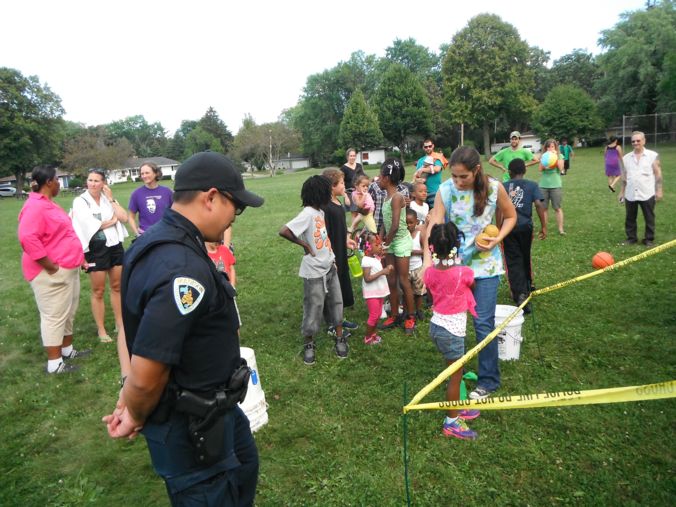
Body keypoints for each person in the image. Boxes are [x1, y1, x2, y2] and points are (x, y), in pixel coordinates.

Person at [102, 151, 263, 505]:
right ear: (211, 197)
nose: (234, 217)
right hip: (192, 434)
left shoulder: (154, 242)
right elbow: (147, 375)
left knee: (245, 468)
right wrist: (135, 409)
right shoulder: (181, 268)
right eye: (236, 208)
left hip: (216, 414)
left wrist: (127, 400)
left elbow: (131, 329)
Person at [428, 146, 516, 400]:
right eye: (454, 176)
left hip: (486, 266)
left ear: (476, 170)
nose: (457, 182)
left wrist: (496, 238)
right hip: (454, 269)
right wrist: (428, 260)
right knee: (453, 324)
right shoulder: (445, 191)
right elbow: (435, 224)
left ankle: (488, 380)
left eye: (463, 177)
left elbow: (510, 217)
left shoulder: (494, 188)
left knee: (483, 322)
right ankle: (457, 369)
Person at [18, 166, 91, 374]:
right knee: (54, 316)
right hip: (50, 273)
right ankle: (55, 364)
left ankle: (67, 351)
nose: (60, 183)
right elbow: (27, 237)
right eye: (57, 180)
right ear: (49, 182)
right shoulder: (35, 207)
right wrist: (49, 265)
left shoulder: (48, 203)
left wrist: (79, 258)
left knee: (68, 313)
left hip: (68, 267)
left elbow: (62, 234)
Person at [279, 175, 348, 365]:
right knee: (314, 307)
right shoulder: (308, 213)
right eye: (326, 190)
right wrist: (304, 245)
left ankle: (340, 337)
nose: (329, 193)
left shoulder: (320, 212)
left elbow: (323, 238)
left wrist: (331, 256)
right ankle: (309, 343)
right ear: (319, 193)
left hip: (329, 265)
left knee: (336, 302)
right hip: (314, 272)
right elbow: (284, 230)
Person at [421, 222, 480, 439]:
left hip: (437, 327)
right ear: (456, 245)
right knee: (455, 378)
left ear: (433, 247)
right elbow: (472, 285)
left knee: (453, 371)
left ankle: (456, 407)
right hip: (452, 332)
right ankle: (451, 422)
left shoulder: (429, 273)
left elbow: (435, 283)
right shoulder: (464, 272)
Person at [71, 169, 129, 345]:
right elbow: (88, 225)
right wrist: (111, 222)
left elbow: (124, 217)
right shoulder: (80, 201)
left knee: (117, 286)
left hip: (114, 245)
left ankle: (120, 324)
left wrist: (111, 199)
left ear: (104, 183)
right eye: (90, 180)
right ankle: (101, 329)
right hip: (95, 249)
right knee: (98, 291)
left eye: (97, 180)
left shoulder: (107, 199)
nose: (93, 184)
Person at [502, 159, 547, 314]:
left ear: (509, 172)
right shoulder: (532, 185)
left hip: (508, 228)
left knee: (513, 260)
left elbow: (499, 208)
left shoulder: (503, 186)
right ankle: (528, 286)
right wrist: (544, 226)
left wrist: (499, 227)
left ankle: (520, 293)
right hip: (526, 228)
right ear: (524, 171)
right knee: (524, 256)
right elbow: (539, 204)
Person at [378, 158, 416, 334]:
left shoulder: (397, 197)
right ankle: (394, 314)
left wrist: (386, 243)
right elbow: (385, 224)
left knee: (403, 280)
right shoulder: (387, 197)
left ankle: (410, 316)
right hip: (390, 242)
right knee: (391, 280)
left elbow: (394, 225)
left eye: (380, 176)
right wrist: (380, 239)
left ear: (387, 178)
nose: (377, 179)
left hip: (399, 241)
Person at [321, 168, 358, 332]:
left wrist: (346, 240)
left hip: (341, 252)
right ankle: (332, 323)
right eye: (342, 183)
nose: (345, 185)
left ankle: (339, 319)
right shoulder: (325, 207)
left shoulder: (338, 202)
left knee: (341, 285)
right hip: (332, 255)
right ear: (331, 186)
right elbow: (325, 234)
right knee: (331, 288)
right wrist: (330, 256)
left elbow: (340, 228)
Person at [619, 131, 663, 246]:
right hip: (630, 193)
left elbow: (658, 174)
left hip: (647, 192)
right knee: (630, 218)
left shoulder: (652, 156)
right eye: (633, 141)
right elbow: (624, 177)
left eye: (638, 140)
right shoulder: (626, 158)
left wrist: (659, 190)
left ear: (644, 141)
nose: (635, 143)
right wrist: (621, 192)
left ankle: (649, 239)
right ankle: (631, 238)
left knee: (649, 217)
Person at [359, 232, 393, 345]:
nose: (380, 247)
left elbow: (379, 259)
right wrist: (383, 272)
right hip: (372, 293)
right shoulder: (366, 261)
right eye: (377, 245)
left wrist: (381, 257)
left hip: (378, 292)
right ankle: (368, 337)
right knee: (374, 315)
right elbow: (367, 278)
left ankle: (373, 334)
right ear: (368, 247)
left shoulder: (374, 258)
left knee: (378, 314)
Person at [128, 162, 173, 236]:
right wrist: (137, 234)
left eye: (147, 173)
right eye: (142, 174)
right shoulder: (136, 194)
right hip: (146, 235)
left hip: (166, 233)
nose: (144, 176)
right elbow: (131, 217)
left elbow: (176, 213)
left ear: (156, 173)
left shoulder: (167, 192)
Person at [538, 139, 566, 236]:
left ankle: (561, 229)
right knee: (544, 208)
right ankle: (544, 229)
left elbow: (561, 168)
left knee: (557, 208)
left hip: (556, 185)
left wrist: (555, 158)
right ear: (545, 148)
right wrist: (546, 165)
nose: (550, 148)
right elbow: (540, 169)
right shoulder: (543, 156)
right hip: (543, 185)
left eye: (552, 147)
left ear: (555, 147)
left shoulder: (560, 156)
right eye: (548, 147)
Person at [406, 209, 426, 320]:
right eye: (406, 223)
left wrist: (413, 252)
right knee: (407, 291)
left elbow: (424, 250)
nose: (408, 225)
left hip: (417, 267)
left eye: (411, 222)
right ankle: (409, 311)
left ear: (417, 222)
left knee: (418, 292)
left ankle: (418, 310)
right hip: (406, 269)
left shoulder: (419, 235)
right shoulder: (403, 236)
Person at [415, 139, 446, 208]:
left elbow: (437, 169)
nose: (428, 148)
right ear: (423, 148)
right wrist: (418, 180)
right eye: (426, 147)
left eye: (430, 146)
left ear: (433, 146)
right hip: (422, 193)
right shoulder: (420, 160)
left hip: (435, 191)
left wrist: (423, 169)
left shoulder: (437, 157)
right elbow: (416, 176)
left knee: (435, 213)